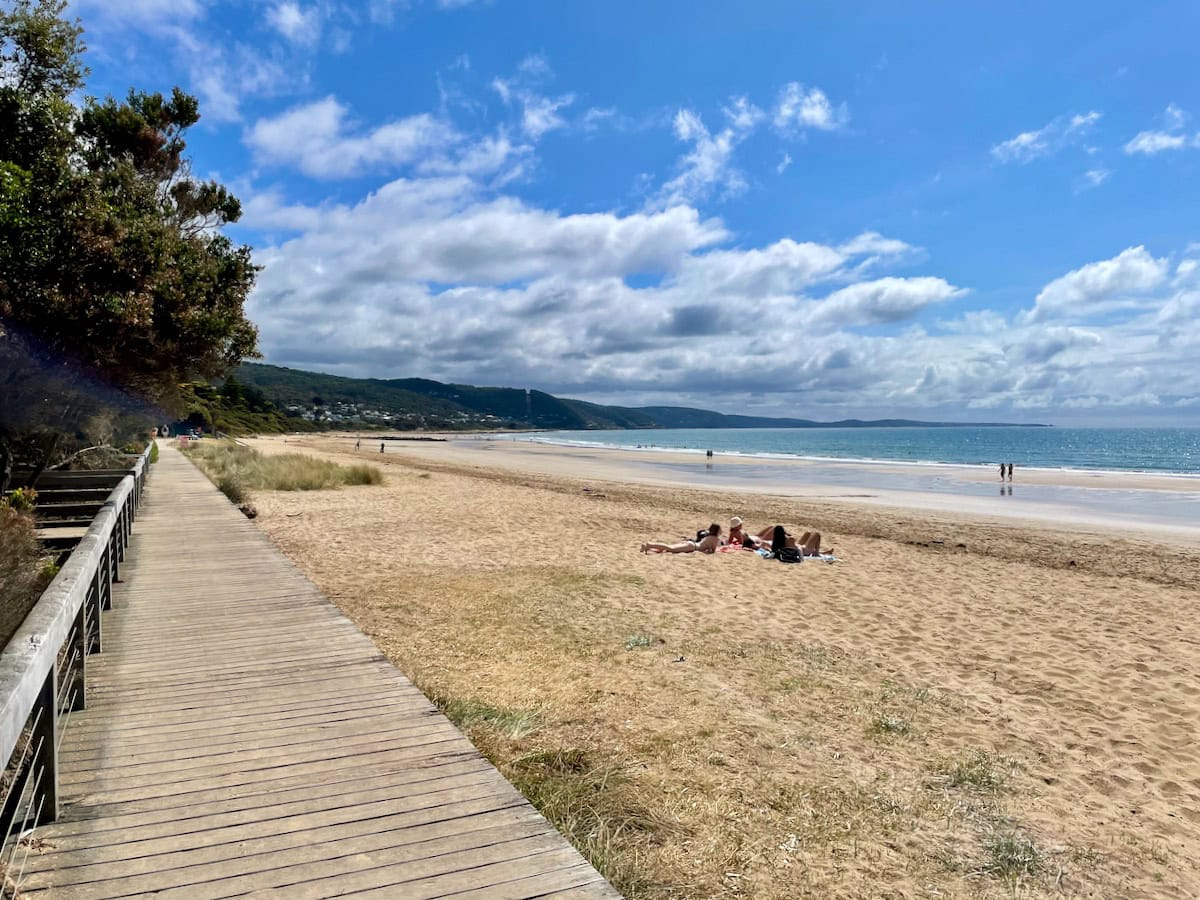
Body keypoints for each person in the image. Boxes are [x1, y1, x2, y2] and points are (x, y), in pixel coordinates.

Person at [642, 523, 722, 554]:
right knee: (670, 548)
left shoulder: (709, 535)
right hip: (692, 546)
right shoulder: (715, 539)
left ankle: (650, 549)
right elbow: (712, 551)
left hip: (691, 543)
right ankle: (649, 545)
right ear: (718, 531)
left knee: (669, 549)